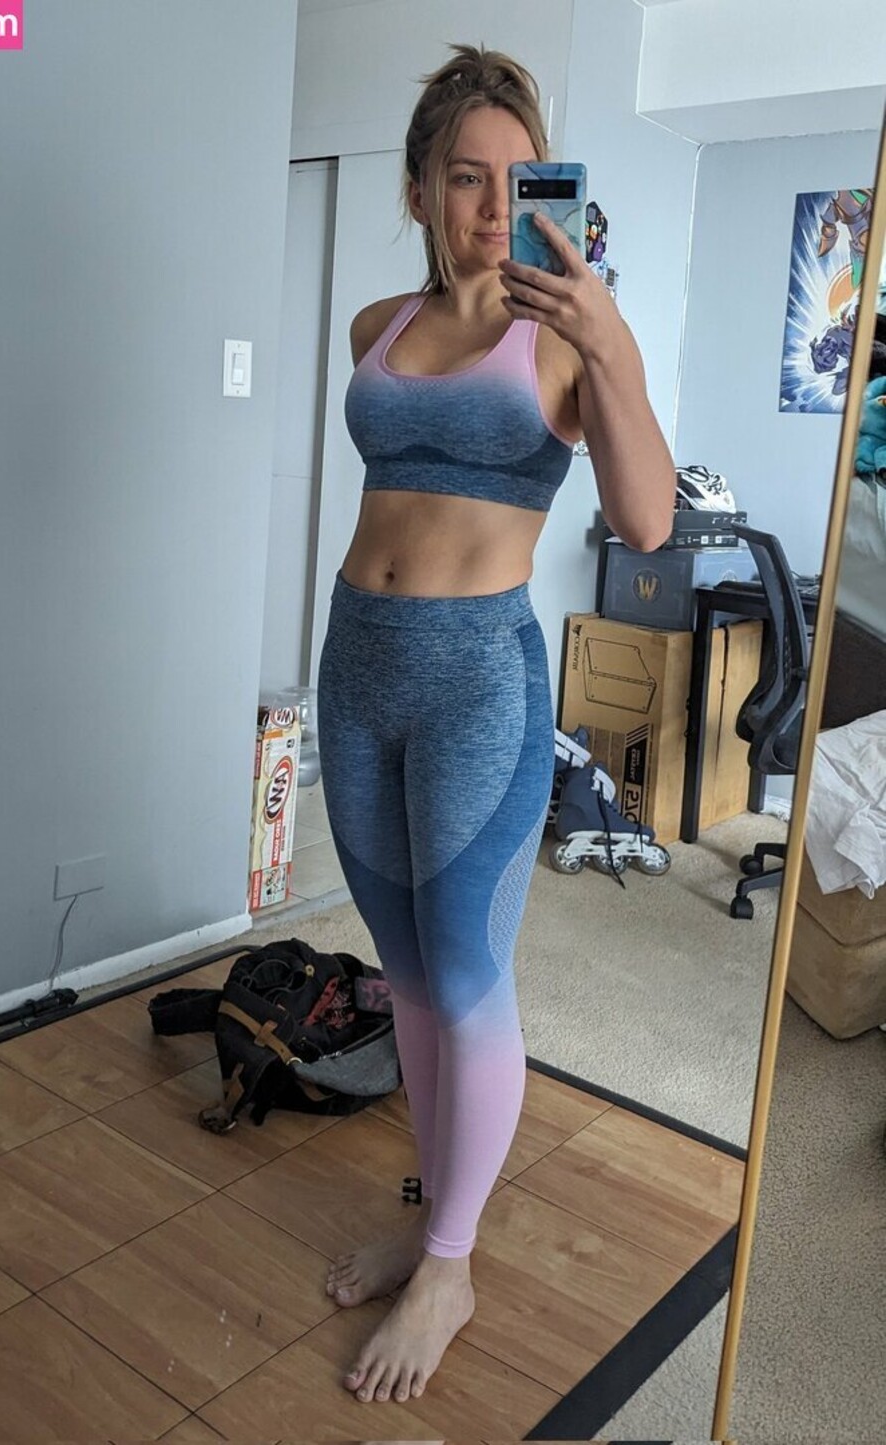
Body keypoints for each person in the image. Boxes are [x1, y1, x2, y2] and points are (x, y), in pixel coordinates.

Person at [317, 44, 675, 1407]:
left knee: (468, 971)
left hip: (479, 680)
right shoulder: (376, 327)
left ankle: (453, 1268)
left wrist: (609, 343)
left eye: (520, 182)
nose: (490, 206)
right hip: (358, 667)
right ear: (419, 188)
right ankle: (434, 1221)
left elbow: (646, 521)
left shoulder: (568, 338)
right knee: (408, 974)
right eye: (465, 177)